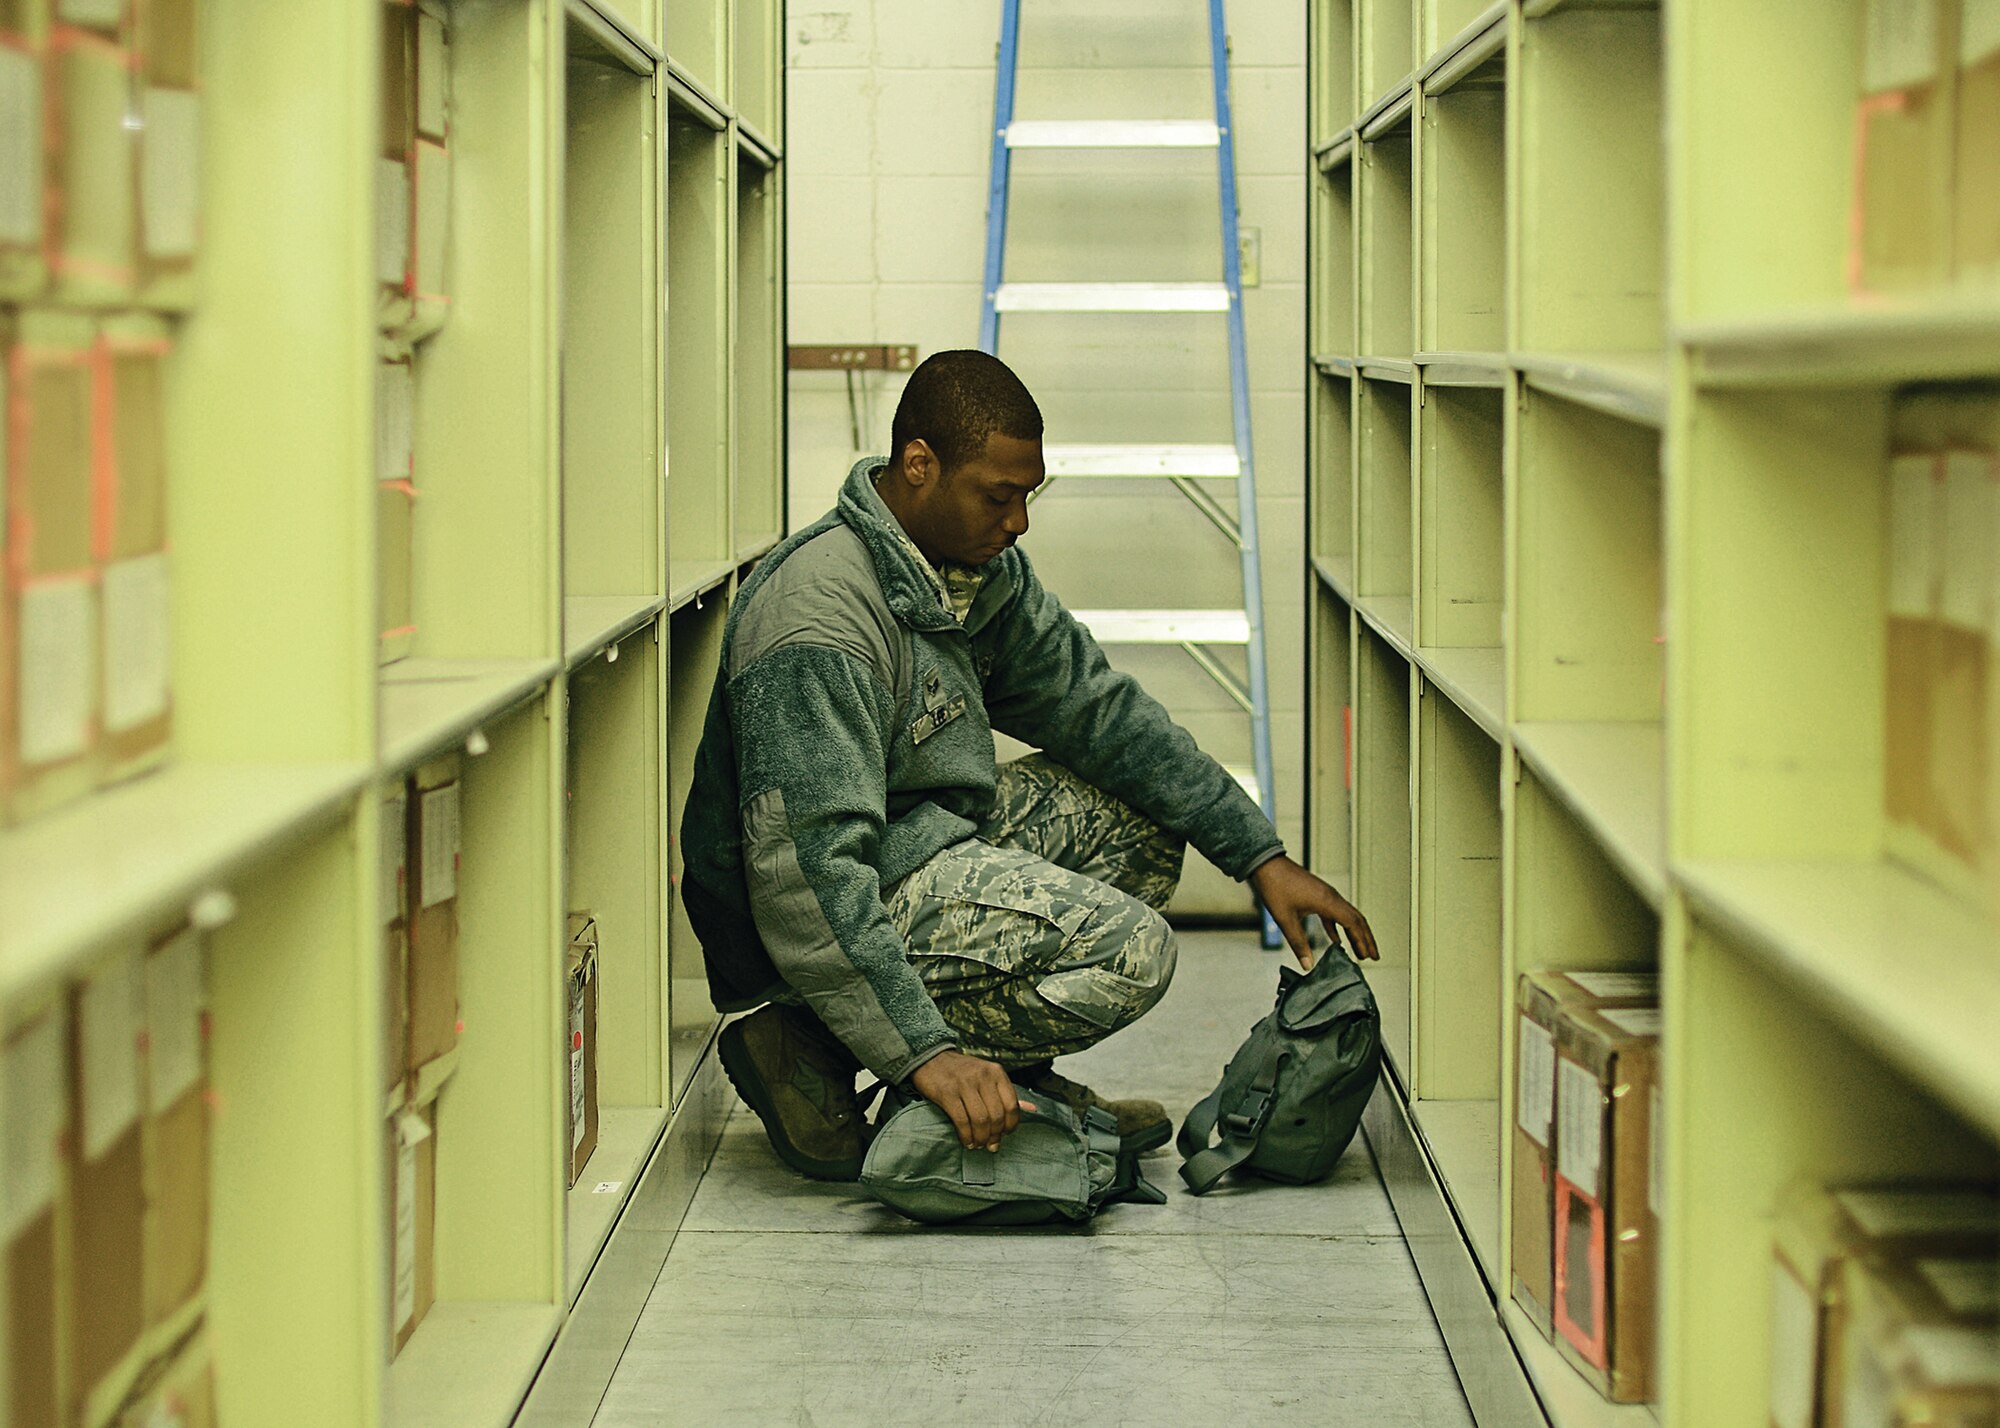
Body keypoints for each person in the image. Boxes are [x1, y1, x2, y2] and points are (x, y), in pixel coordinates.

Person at [679, 349, 1377, 1182]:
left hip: (918, 848)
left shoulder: (972, 576)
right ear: (919, 466)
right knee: (1134, 952)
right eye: (998, 497)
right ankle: (815, 1039)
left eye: (1028, 496)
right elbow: (808, 879)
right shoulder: (821, 620)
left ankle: (964, 1070)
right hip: (809, 913)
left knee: (1146, 823)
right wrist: (926, 1057)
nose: (1019, 522)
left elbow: (1101, 713)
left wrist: (1258, 854)